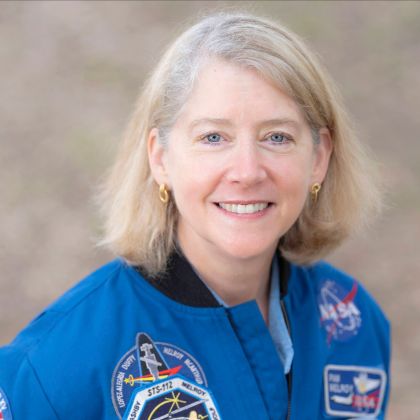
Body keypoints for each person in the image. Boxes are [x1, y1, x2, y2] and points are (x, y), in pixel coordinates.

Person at [0, 11, 390, 420]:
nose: (247, 172)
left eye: (277, 137)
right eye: (213, 137)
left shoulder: (351, 321)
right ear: (161, 158)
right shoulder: (55, 365)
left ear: (319, 157)